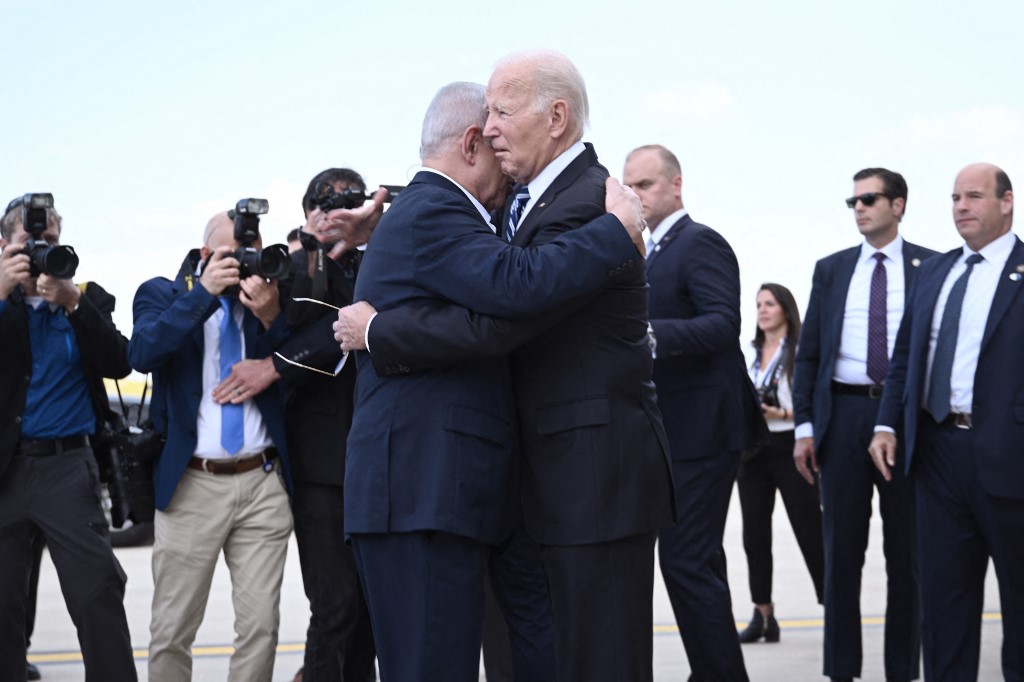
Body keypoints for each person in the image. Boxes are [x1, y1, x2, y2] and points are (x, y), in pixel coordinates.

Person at [338, 52, 676, 682]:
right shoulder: (462, 209)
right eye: (486, 115)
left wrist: (379, 329)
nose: (491, 129)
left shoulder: (585, 203)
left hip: (581, 481)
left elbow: (510, 305)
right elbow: (505, 299)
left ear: (555, 117)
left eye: (502, 110)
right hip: (435, 493)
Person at [869, 163, 1024, 680]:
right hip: (936, 455)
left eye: (974, 196)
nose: (961, 206)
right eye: (956, 197)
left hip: (1010, 457)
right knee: (944, 606)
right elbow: (906, 354)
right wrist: (886, 424)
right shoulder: (936, 271)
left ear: (1007, 202)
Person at [129, 210, 294, 682]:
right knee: (172, 629)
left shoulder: (265, 296)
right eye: (232, 254)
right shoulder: (162, 292)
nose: (244, 263)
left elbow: (295, 368)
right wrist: (202, 294)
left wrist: (270, 315)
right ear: (205, 255)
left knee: (261, 627)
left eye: (251, 253)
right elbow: (142, 353)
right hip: (192, 485)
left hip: (262, 484)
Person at [623, 144, 764, 680]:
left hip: (705, 431)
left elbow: (722, 323)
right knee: (699, 560)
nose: (636, 194)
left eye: (647, 184)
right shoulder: (646, 252)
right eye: (629, 185)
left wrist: (648, 335)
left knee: (684, 559)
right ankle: (715, 668)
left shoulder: (699, 242)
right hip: (675, 432)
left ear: (676, 186)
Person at [792, 168, 936, 682]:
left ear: (898, 205)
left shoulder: (933, 268)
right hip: (843, 417)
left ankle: (903, 671)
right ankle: (841, 671)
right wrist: (805, 427)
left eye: (869, 199)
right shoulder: (831, 270)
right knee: (842, 557)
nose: (859, 208)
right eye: (852, 200)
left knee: (908, 558)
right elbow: (807, 356)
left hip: (905, 422)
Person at [0, 195, 137, 681]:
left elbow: (120, 361)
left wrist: (74, 303)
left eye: (50, 242)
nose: (40, 251)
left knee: (97, 592)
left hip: (68, 470)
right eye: (29, 242)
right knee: (4, 607)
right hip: (6, 471)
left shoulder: (86, 299)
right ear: (3, 247)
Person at [280, 168, 376, 682]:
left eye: (348, 202)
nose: (337, 211)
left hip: (379, 459)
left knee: (372, 614)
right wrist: (314, 248)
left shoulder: (382, 258)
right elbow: (294, 324)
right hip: (320, 468)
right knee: (335, 606)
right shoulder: (293, 265)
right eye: (325, 203)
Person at [737, 283, 825, 643]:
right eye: (758, 304)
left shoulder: (801, 352)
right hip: (754, 448)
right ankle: (763, 614)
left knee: (810, 529)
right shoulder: (751, 352)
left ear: (786, 309)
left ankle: (831, 604)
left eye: (769, 303)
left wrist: (782, 411)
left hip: (792, 444)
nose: (762, 310)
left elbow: (814, 401)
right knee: (754, 534)